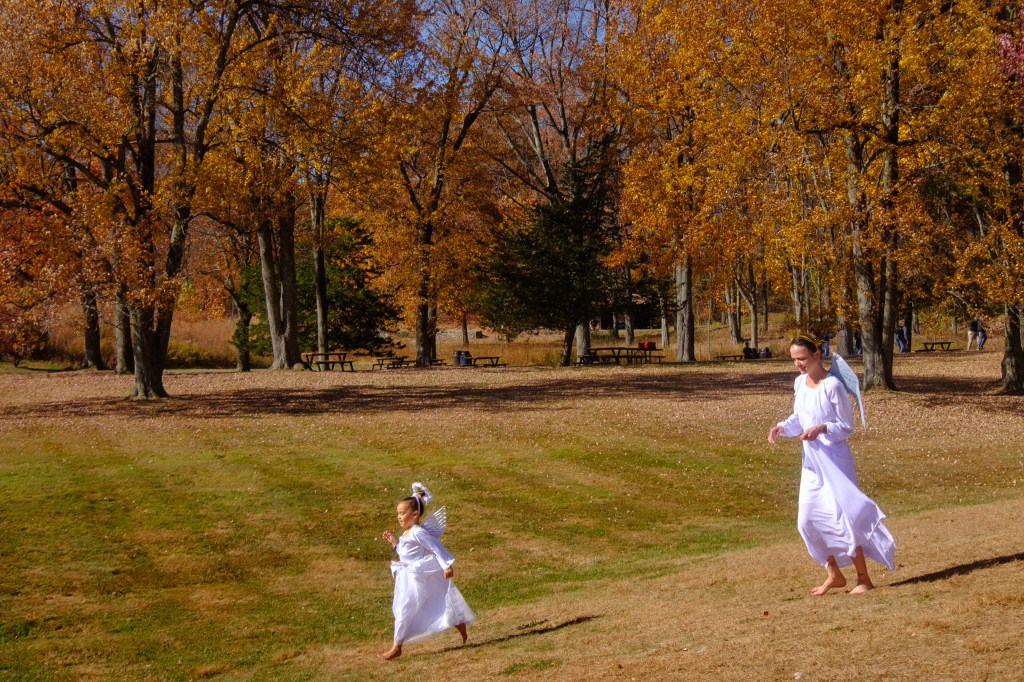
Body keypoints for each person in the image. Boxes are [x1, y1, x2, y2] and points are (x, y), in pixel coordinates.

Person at [767, 335, 895, 596]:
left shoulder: (833, 386)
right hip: (811, 463)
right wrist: (781, 427)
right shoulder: (799, 383)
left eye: (802, 358)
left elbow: (846, 427)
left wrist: (822, 428)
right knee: (806, 522)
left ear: (817, 354)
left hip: (835, 461)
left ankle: (864, 579)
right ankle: (834, 573)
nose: (798, 364)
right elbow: (799, 417)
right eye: (794, 359)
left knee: (843, 519)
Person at [379, 483, 474, 660]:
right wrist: (394, 542)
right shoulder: (407, 533)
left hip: (417, 577)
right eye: (398, 514)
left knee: (406, 609)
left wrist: (446, 565)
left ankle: (396, 646)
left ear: (415, 515)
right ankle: (458, 622)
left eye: (402, 513)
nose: (399, 517)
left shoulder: (417, 532)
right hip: (406, 578)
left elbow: (435, 546)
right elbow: (405, 552)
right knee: (406, 608)